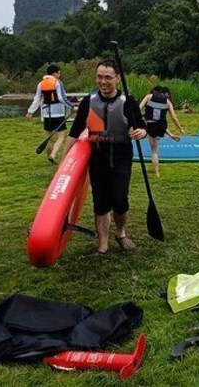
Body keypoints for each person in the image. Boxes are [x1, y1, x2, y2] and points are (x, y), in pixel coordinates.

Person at [64, 59, 147, 254]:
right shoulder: (88, 102)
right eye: (99, 77)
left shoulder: (129, 101)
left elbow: (142, 126)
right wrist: (64, 163)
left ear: (117, 79)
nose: (103, 82)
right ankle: (102, 243)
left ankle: (120, 232)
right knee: (100, 201)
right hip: (98, 158)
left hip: (121, 157)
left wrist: (141, 132)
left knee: (120, 199)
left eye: (108, 77)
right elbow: (74, 133)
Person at [26, 65, 73, 164]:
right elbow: (61, 98)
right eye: (59, 73)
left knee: (49, 138)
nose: (59, 75)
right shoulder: (57, 83)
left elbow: (37, 99)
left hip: (46, 115)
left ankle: (50, 160)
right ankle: (53, 154)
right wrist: (73, 106)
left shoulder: (41, 84)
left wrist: (30, 111)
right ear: (54, 73)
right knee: (62, 136)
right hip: (58, 114)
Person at [139, 86, 185, 176]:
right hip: (161, 125)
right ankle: (171, 135)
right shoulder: (168, 102)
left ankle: (157, 172)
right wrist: (180, 128)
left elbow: (138, 108)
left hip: (151, 124)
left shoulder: (148, 96)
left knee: (154, 150)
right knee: (160, 123)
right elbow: (174, 117)